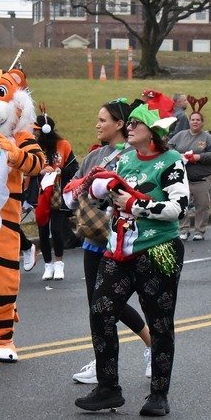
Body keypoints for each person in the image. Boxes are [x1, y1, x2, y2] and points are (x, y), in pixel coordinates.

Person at [73, 103, 189, 417]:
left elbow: (178, 208)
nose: (132, 127)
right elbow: (106, 195)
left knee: (160, 323)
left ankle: (158, 395)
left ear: (154, 133)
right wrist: (91, 189)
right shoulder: (123, 159)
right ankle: (108, 387)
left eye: (138, 123)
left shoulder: (171, 161)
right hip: (119, 250)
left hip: (158, 251)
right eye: (131, 122)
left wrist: (135, 204)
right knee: (100, 311)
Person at [65, 98, 154, 384]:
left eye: (103, 120)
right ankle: (106, 359)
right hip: (94, 237)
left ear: (119, 124)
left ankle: (152, 346)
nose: (97, 124)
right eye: (98, 119)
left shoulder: (132, 155)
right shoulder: (95, 155)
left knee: (112, 302)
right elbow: (74, 188)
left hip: (124, 239)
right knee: (97, 304)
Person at [34, 112, 78, 281]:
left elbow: (74, 168)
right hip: (40, 194)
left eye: (37, 130)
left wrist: (61, 170)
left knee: (56, 229)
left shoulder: (63, 145)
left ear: (46, 130)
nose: (34, 133)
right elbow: (27, 169)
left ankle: (59, 263)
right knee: (43, 230)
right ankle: (47, 265)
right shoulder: (32, 146)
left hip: (58, 193)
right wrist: (39, 170)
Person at [169, 109, 211, 240]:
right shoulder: (180, 135)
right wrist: (177, 155)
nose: (195, 122)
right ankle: (183, 229)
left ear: (202, 123)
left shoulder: (207, 138)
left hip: (202, 178)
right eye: (192, 119)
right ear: (189, 121)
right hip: (183, 178)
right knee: (181, 204)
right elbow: (168, 147)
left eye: (198, 120)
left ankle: (199, 231)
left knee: (202, 205)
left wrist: (199, 157)